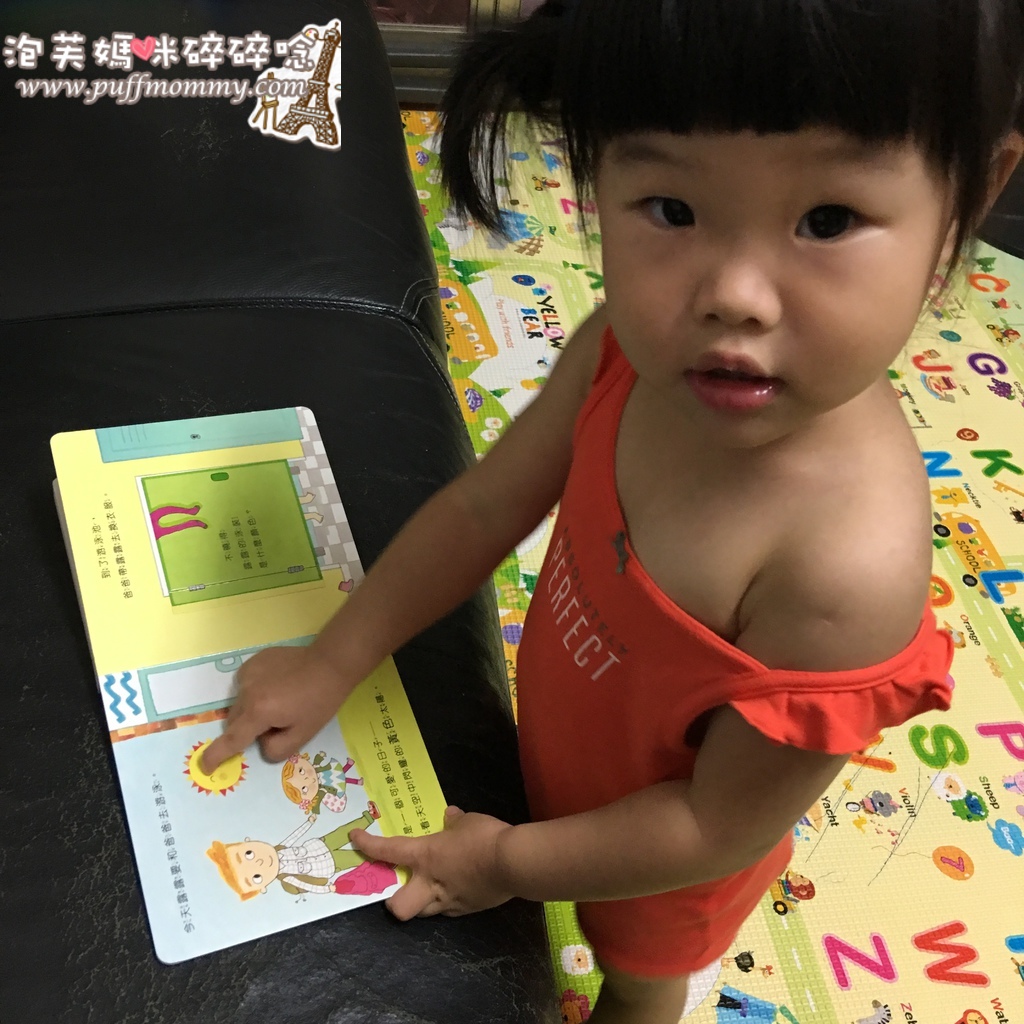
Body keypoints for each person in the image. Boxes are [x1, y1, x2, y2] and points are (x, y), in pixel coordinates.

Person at [203, 0, 1024, 1019]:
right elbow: (483, 509)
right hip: (558, 752)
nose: (732, 295)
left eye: (827, 220)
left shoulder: (843, 574)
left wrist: (504, 862)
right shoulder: (627, 353)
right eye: (670, 208)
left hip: (665, 866)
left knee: (636, 982)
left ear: (970, 196)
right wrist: (334, 657)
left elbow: (711, 826)